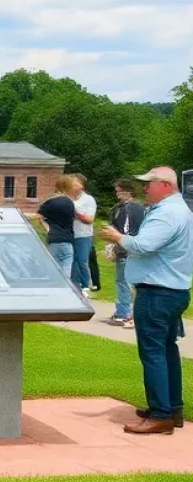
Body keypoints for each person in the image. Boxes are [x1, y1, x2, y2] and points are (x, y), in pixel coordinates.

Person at [101, 166, 193, 435]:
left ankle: (161, 414)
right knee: (166, 350)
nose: (144, 188)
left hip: (156, 291)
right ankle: (171, 408)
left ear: (164, 185)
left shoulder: (167, 213)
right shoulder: (179, 210)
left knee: (152, 352)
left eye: (148, 184)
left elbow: (144, 245)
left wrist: (117, 237)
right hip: (171, 289)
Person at [106, 178, 145, 328]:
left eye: (119, 191)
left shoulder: (127, 208)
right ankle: (126, 313)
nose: (117, 195)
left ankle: (123, 313)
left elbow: (125, 231)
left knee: (124, 282)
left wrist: (117, 246)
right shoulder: (140, 208)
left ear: (128, 191)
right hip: (133, 249)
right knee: (130, 282)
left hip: (126, 249)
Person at [37, 176, 80, 275]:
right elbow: (73, 219)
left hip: (54, 239)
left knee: (54, 273)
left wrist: (48, 228)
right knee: (66, 274)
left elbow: (39, 216)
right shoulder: (70, 203)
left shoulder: (50, 202)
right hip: (68, 240)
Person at [70, 173, 98, 296]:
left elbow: (89, 219)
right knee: (72, 261)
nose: (71, 184)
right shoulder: (69, 198)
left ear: (81, 185)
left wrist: (75, 211)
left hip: (83, 235)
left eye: (74, 182)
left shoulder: (88, 199)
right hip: (70, 234)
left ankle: (85, 284)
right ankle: (74, 284)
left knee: (82, 260)